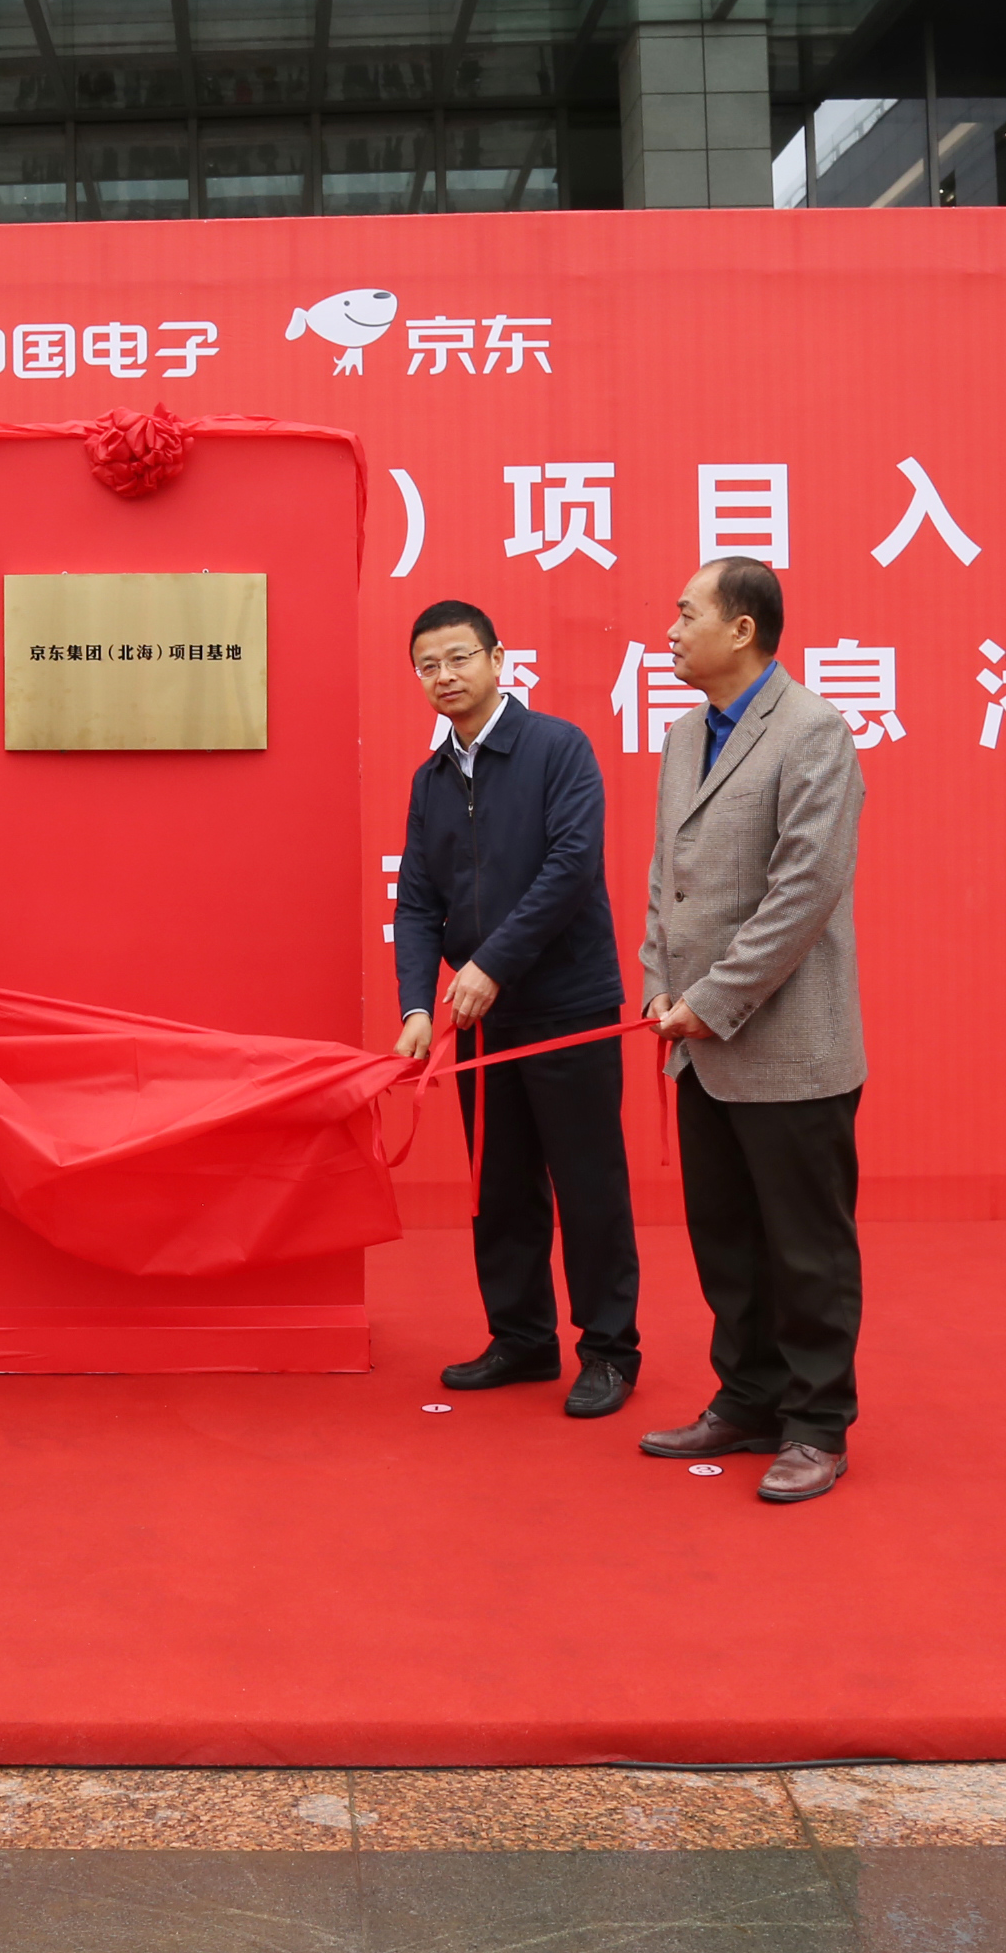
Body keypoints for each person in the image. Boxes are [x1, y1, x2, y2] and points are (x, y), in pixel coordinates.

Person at [637, 558, 868, 1505]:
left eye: (685, 613)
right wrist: (661, 987)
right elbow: (668, 881)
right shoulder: (684, 734)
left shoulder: (813, 731)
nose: (670, 630)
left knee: (806, 1249)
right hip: (698, 1045)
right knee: (727, 1242)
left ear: (742, 629)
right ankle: (747, 1399)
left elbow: (804, 891)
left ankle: (817, 1424)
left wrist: (713, 999)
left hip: (788, 1046)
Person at [391, 599, 642, 1417]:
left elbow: (572, 867)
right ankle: (522, 1337)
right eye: (428, 665)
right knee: (498, 1185)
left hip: (568, 1006)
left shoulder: (557, 748)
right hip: (480, 1022)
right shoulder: (431, 781)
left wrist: (490, 965)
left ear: (499, 660)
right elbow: (418, 903)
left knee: (587, 1185)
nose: (444, 676)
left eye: (459, 658)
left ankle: (609, 1351)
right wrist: (416, 1007)